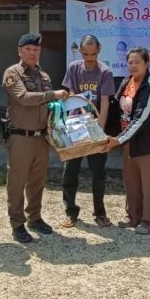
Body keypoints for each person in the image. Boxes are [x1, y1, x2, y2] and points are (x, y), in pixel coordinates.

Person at [3, 33, 68, 243]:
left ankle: (34, 217)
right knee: (17, 181)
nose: (32, 53)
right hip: (20, 136)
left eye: (36, 49)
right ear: (20, 51)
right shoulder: (13, 73)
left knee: (37, 181)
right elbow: (23, 98)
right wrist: (53, 95)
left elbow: (50, 107)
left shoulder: (44, 76)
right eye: (28, 49)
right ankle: (17, 223)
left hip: (41, 137)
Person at [102, 47, 150, 233]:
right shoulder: (127, 81)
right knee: (132, 183)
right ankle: (133, 217)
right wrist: (99, 127)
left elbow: (141, 119)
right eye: (130, 62)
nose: (133, 66)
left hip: (149, 144)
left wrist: (118, 140)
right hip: (129, 141)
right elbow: (115, 107)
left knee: (149, 185)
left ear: (147, 63)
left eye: (137, 62)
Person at [60, 34, 116, 229]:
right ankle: (70, 212)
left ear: (99, 50)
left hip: (95, 127)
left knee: (98, 173)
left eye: (93, 54)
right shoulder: (74, 68)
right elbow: (70, 93)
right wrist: (81, 108)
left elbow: (105, 101)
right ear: (80, 52)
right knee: (70, 171)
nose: (89, 58)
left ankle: (100, 212)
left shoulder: (105, 72)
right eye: (85, 54)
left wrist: (100, 129)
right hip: (75, 126)